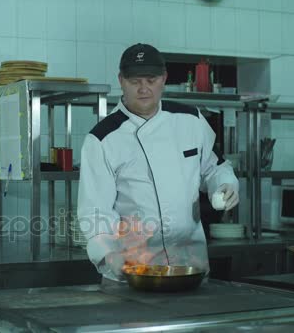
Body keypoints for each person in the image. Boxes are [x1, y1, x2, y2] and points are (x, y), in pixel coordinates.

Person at [77, 43, 239, 282]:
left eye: (151, 80)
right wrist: (108, 254)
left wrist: (225, 183)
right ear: (121, 80)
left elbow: (215, 168)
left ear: (163, 78)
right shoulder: (102, 139)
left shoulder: (190, 120)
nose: (144, 89)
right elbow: (95, 211)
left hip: (190, 264)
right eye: (135, 81)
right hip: (132, 268)